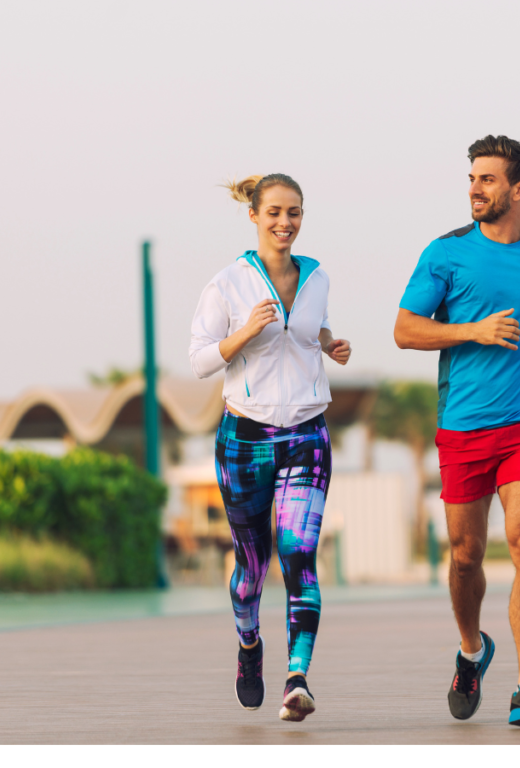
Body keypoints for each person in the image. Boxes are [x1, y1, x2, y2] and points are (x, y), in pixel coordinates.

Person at [394, 135, 520, 727]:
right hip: (463, 426)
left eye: (487, 179)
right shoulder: (446, 254)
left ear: (518, 189)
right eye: (472, 178)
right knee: (465, 556)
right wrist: (473, 331)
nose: (475, 189)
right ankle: (472, 650)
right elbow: (405, 329)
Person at [189, 173, 351, 722]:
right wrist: (243, 334)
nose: (286, 223)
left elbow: (313, 328)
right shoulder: (227, 284)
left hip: (307, 432)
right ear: (254, 215)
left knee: (299, 555)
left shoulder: (317, 277)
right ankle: (250, 645)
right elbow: (200, 360)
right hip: (246, 439)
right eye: (276, 212)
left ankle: (298, 677)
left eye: (295, 213)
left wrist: (332, 343)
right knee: (252, 568)